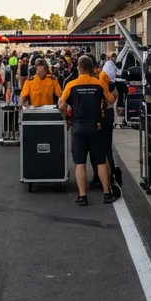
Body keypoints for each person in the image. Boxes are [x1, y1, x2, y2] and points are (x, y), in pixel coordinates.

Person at [58, 55, 117, 205]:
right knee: (101, 161)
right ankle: (107, 194)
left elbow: (61, 104)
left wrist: (65, 117)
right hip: (95, 126)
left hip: (78, 127)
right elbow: (111, 99)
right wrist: (112, 92)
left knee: (80, 163)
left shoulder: (71, 84)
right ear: (91, 69)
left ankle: (83, 196)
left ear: (79, 68)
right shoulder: (99, 83)